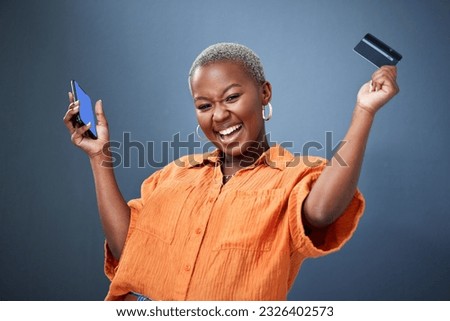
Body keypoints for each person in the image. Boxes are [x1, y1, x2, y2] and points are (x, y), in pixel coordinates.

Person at [63, 43, 399, 300]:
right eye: (204, 105)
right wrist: (99, 158)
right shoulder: (173, 175)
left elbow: (323, 211)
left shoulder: (294, 175)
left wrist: (364, 111)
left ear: (264, 93)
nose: (219, 116)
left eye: (232, 97)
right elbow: (129, 250)